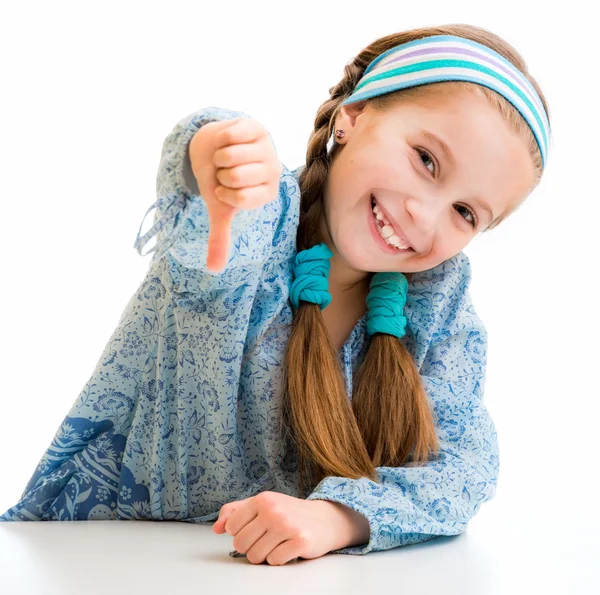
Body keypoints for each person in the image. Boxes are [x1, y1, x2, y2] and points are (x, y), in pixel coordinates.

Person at [0, 23, 551, 566]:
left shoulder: (437, 306)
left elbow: (466, 465)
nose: (425, 217)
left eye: (465, 212)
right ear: (350, 118)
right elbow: (212, 217)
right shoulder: (261, 217)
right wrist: (219, 160)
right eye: (426, 159)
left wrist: (340, 517)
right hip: (96, 561)